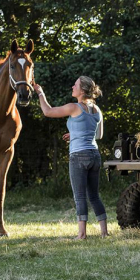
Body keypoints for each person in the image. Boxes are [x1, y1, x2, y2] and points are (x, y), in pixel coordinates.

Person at [33, 76, 108, 239]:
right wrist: (76, 133)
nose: (72, 86)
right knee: (94, 196)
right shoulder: (97, 110)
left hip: (78, 155)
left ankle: (81, 234)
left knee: (80, 196)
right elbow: (99, 135)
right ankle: (104, 232)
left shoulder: (74, 107)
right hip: (95, 155)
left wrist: (40, 93)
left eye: (75, 85)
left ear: (82, 91)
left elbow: (48, 111)